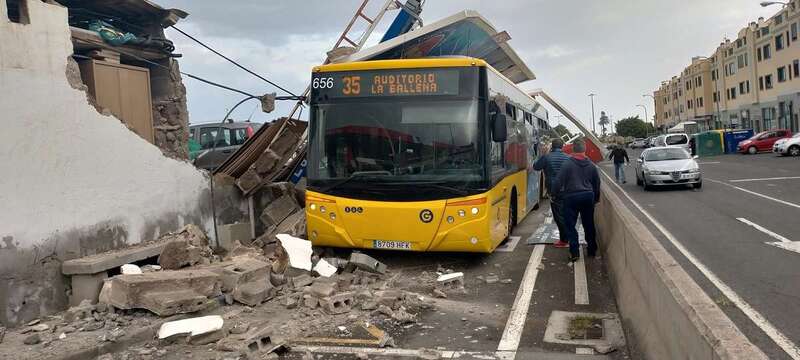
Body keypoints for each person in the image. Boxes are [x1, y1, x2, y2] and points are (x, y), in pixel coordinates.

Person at [553, 139, 600, 262]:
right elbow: (596, 184)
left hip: (571, 197)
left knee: (570, 226)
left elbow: (558, 181)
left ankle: (574, 253)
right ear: (584, 150)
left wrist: (554, 194)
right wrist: (596, 198)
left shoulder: (567, 164)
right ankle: (591, 250)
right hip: (588, 197)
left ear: (573, 149)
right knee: (589, 224)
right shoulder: (592, 165)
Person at [533, 139, 570, 248]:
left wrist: (543, 154)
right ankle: (568, 237)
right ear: (562, 146)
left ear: (552, 147)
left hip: (554, 190)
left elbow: (536, 167)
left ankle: (564, 240)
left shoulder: (547, 157)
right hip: (567, 190)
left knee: (558, 216)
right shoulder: (568, 158)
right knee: (566, 214)